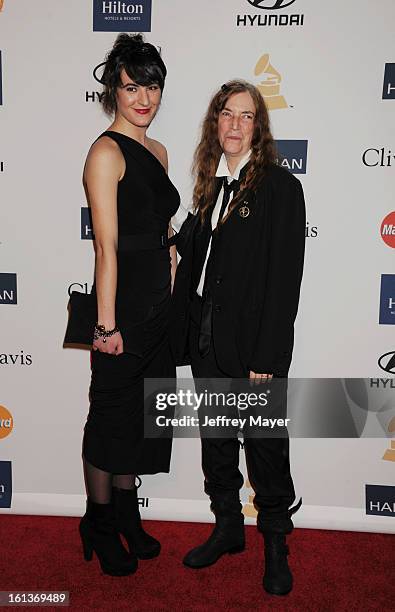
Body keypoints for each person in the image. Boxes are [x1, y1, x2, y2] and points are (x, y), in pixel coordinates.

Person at [170, 80, 305, 595]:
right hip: (207, 336)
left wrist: (267, 356)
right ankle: (227, 526)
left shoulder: (279, 188)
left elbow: (284, 280)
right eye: (227, 114)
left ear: (259, 128)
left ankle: (275, 542)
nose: (234, 124)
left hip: (255, 349)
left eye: (246, 116)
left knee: (266, 447)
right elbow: (195, 255)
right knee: (218, 441)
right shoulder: (208, 185)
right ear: (215, 122)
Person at [79, 33, 180, 576]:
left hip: (160, 308)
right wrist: (105, 325)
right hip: (122, 311)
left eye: (153, 86)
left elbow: (161, 232)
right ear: (113, 91)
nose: (144, 97)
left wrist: (174, 283)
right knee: (109, 418)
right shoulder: (105, 152)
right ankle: (97, 521)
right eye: (132, 86)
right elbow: (106, 247)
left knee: (139, 419)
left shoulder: (159, 151)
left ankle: (125, 513)